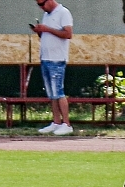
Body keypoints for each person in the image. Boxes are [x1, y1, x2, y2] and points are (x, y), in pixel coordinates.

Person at [32, 0, 73, 135]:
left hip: (57, 59)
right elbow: (46, 35)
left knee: (59, 92)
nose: (41, 7)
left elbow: (68, 34)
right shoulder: (47, 15)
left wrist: (47, 29)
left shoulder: (63, 12)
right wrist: (40, 31)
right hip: (45, 58)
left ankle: (66, 123)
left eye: (42, 4)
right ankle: (56, 122)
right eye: (39, 5)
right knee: (52, 94)